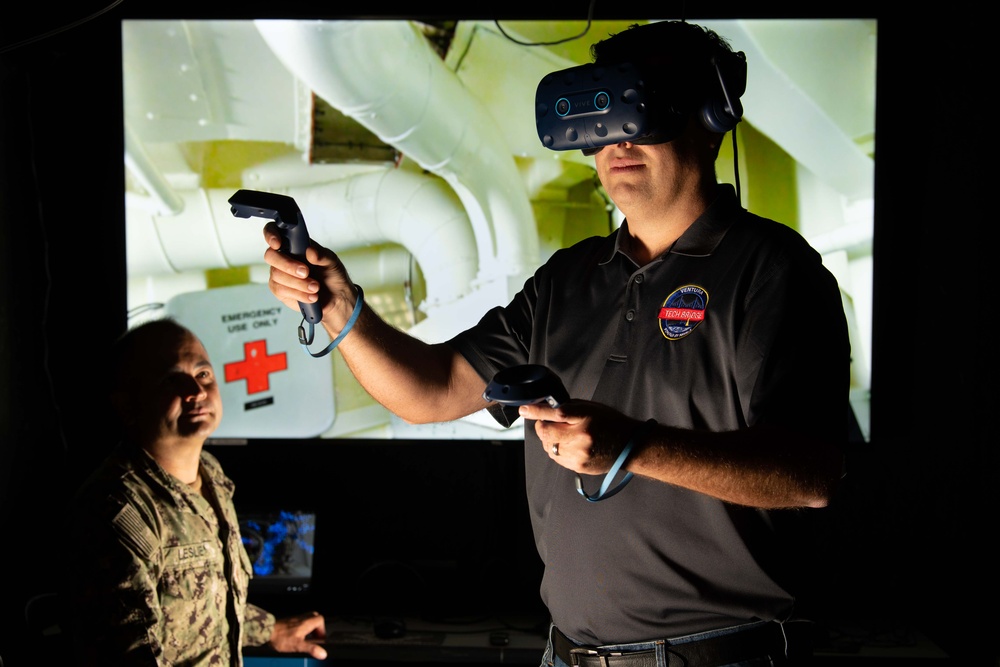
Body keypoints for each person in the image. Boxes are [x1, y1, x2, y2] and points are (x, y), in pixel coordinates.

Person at [263, 20, 849, 667]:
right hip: (566, 655)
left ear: (712, 114)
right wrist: (341, 308)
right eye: (603, 108)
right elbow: (429, 390)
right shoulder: (564, 282)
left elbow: (811, 473)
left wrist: (634, 446)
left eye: (643, 103)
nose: (618, 133)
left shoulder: (774, 272)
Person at [65, 319, 328, 665]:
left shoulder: (212, 475)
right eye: (172, 379)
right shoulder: (117, 512)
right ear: (127, 405)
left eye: (203, 374)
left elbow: (205, 603)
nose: (197, 391)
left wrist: (269, 630)